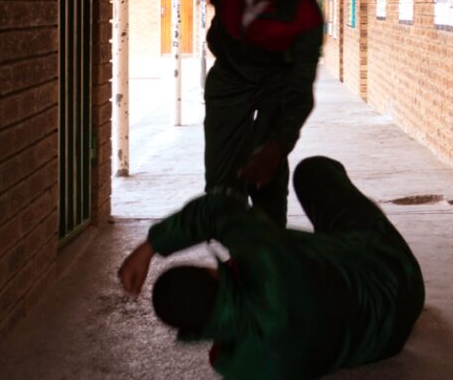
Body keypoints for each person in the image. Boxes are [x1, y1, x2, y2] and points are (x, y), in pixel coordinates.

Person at [118, 156, 425, 380]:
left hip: (388, 340)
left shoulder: (241, 368)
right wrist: (149, 247)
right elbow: (218, 210)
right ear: (213, 273)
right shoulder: (265, 257)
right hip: (391, 269)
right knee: (314, 171)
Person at [133, 0, 324, 227]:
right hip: (230, 77)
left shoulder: (305, 16)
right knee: (222, 180)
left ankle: (269, 238)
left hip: (276, 82)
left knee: (267, 170)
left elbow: (300, 91)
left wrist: (276, 147)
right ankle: (227, 232)